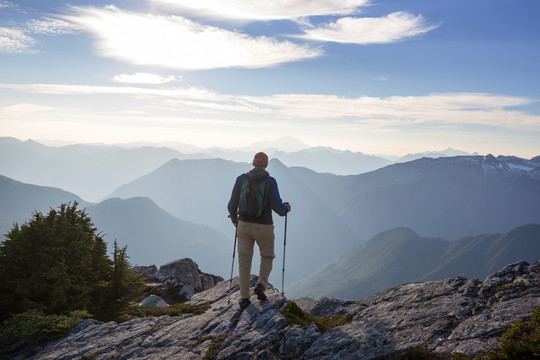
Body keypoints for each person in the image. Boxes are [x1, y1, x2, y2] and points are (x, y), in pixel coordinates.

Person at [228, 152, 291, 308]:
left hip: (243, 226)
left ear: (253, 163)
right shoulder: (270, 182)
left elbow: (231, 205)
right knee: (267, 256)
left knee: (244, 262)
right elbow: (278, 207)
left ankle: (244, 298)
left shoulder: (241, 179)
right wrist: (286, 209)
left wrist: (236, 221)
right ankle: (261, 285)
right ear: (267, 165)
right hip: (264, 226)